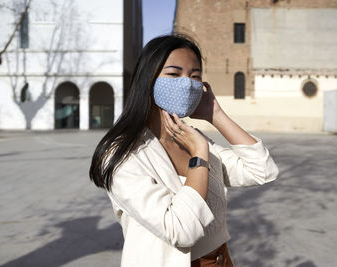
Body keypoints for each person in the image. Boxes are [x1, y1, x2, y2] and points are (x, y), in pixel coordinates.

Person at [89, 34, 279, 267]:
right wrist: (198, 156)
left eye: (195, 76)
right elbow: (181, 230)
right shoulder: (122, 154)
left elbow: (262, 170)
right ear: (148, 80)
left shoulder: (192, 138)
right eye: (173, 74)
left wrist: (216, 115)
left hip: (221, 260)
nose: (187, 83)